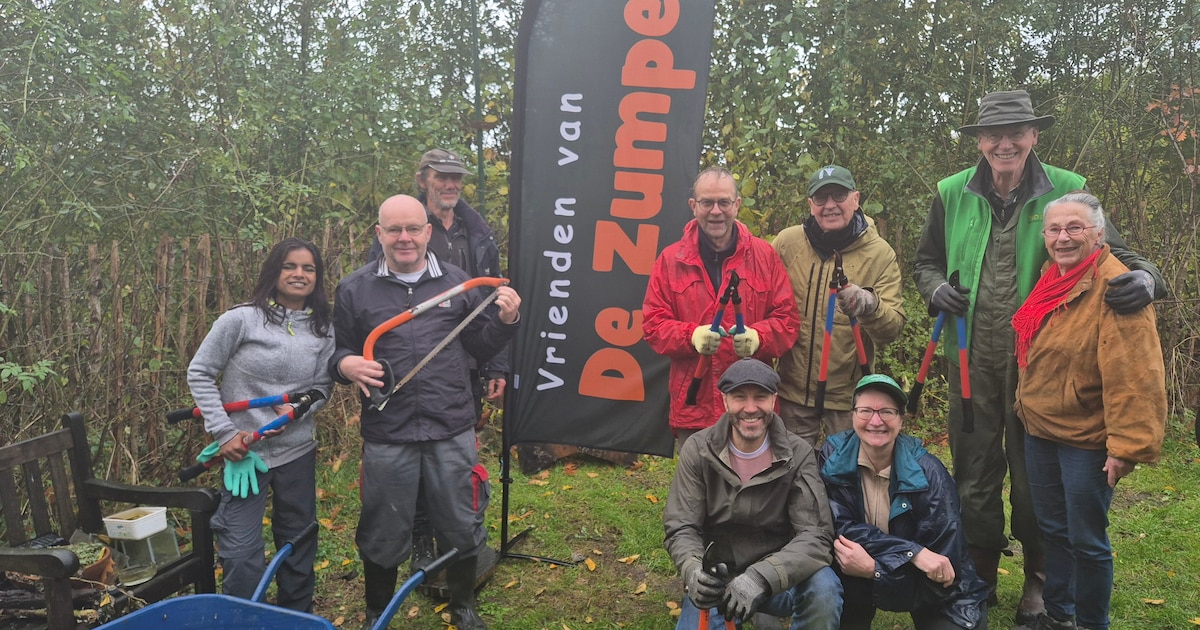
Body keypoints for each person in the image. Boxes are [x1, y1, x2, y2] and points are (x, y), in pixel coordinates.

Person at [912, 89, 1166, 623]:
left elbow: (1120, 254)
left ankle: (1040, 578)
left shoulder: (1068, 191)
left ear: (1033, 135)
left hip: (1045, 361)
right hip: (970, 358)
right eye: (993, 134)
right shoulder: (951, 192)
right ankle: (977, 572)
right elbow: (926, 262)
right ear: (979, 141)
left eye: (1016, 132)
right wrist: (935, 289)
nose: (1005, 143)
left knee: (1034, 479)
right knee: (973, 470)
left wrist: (1147, 279)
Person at [331, 194, 521, 630]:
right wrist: (344, 364)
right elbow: (337, 350)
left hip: (450, 424)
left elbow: (477, 345)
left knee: (460, 522)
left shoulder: (456, 281)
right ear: (378, 234)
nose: (404, 238)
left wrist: (506, 323)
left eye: (413, 229)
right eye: (394, 230)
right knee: (381, 529)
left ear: (427, 232)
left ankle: (462, 606)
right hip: (388, 430)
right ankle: (377, 611)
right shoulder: (354, 289)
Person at [1010, 192, 1166, 630]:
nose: (1063, 238)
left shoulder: (1117, 288)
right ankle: (1060, 616)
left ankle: (1091, 622)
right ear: (1044, 236)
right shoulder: (1052, 277)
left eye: (1075, 228)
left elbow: (1136, 377)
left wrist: (1125, 447)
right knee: (1053, 532)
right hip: (1040, 430)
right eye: (1055, 229)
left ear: (1099, 234)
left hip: (1087, 440)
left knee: (1086, 540)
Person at [367, 148, 506, 575]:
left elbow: (490, 301)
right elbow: (378, 298)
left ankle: (463, 541)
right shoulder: (402, 230)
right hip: (415, 360)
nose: (450, 185)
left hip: (466, 358)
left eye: (456, 179)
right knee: (414, 453)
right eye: (441, 177)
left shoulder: (476, 231)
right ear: (423, 179)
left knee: (457, 456)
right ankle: (422, 542)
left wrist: (497, 364)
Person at [186, 237, 335, 612]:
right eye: (290, 266)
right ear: (274, 271)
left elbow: (321, 388)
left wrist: (298, 412)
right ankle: (244, 616)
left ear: (317, 277)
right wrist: (224, 433)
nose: (299, 274)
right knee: (239, 548)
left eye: (308, 268)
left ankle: (295, 616)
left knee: (298, 541)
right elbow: (200, 373)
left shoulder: (323, 328)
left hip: (296, 450)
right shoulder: (240, 319)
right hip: (243, 454)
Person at [664, 358, 843, 630]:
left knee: (825, 587)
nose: (750, 408)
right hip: (719, 578)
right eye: (739, 398)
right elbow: (681, 526)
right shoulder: (697, 450)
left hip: (781, 575)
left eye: (760, 397)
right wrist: (692, 570)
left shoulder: (798, 453)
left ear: (773, 400)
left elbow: (816, 534)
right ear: (725, 401)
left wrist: (762, 577)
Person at [643, 167, 800, 450]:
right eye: (707, 203)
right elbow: (653, 325)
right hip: (694, 406)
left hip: (752, 406)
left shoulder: (765, 257)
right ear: (694, 206)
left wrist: (759, 338)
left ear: (737, 205)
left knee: (753, 487)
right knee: (697, 490)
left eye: (724, 202)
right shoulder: (670, 260)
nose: (716, 211)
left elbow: (787, 321)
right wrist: (690, 336)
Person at [820, 374, 989, 630]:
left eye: (887, 411)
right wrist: (913, 553)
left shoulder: (930, 473)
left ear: (901, 419)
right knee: (835, 584)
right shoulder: (832, 457)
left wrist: (875, 569)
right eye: (866, 410)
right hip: (856, 572)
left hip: (929, 586)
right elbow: (839, 528)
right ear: (853, 415)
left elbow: (943, 570)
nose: (876, 421)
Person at [772, 165, 906, 446]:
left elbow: (890, 330)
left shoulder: (880, 253)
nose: (830, 205)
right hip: (792, 395)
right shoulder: (787, 243)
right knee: (793, 477)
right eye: (821, 198)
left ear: (856, 199)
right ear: (810, 205)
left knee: (846, 480)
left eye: (839, 195)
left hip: (849, 401)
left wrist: (869, 305)